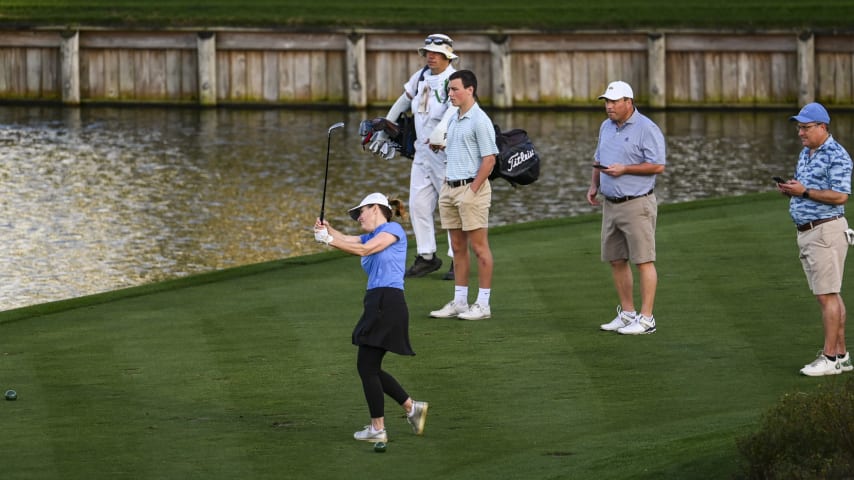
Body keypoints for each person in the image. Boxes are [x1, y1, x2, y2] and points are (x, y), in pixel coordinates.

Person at [313, 192, 429, 443]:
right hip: (378, 302)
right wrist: (328, 230)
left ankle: (379, 428)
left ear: (376, 208)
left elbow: (365, 249)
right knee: (369, 367)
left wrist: (329, 241)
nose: (358, 218)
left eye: (360, 212)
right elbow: (352, 240)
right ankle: (412, 408)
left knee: (367, 366)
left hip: (387, 302)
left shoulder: (392, 229)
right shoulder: (372, 234)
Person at [365, 33, 460, 280]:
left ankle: (457, 259)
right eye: (427, 52)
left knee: (449, 206)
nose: (430, 56)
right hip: (421, 153)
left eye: (436, 53)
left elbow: (454, 112)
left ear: (447, 56)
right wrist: (385, 129)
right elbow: (402, 103)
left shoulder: (454, 80)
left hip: (447, 155)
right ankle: (427, 256)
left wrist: (440, 132)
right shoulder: (420, 77)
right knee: (418, 205)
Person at [776, 102, 853, 376]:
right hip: (809, 232)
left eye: (806, 127)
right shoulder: (807, 152)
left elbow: (840, 196)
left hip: (826, 232)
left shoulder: (837, 155)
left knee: (827, 296)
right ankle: (842, 356)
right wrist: (792, 190)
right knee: (830, 294)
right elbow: (804, 187)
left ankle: (830, 358)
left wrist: (805, 192)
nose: (800, 132)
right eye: (799, 127)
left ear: (822, 127)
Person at [587, 80, 666, 335]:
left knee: (643, 260)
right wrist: (593, 185)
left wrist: (625, 169)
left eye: (613, 102)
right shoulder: (606, 127)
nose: (608, 107)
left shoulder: (646, 128)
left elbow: (657, 165)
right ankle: (628, 313)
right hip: (611, 204)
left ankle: (646, 319)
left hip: (637, 203)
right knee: (616, 259)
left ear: (628, 102)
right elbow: (598, 158)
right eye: (606, 102)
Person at [428, 70, 499, 321]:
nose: (450, 94)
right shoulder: (455, 119)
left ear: (470, 90)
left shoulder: (480, 119)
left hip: (472, 189)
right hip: (449, 188)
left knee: (479, 248)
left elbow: (489, 160)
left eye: (455, 89)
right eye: (449, 89)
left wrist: (473, 190)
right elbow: (463, 151)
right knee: (457, 248)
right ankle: (460, 302)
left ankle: (483, 304)